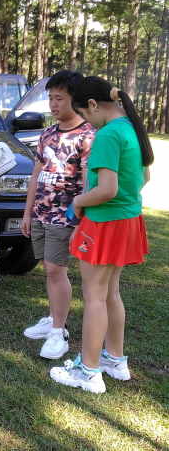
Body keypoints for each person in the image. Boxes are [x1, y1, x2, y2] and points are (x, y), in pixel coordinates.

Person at [49, 77, 152, 394]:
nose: (87, 122)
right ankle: (114, 359)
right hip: (126, 219)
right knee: (110, 293)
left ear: (93, 105)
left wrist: (78, 202)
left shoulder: (107, 134)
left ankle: (89, 371)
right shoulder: (130, 128)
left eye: (85, 114)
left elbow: (107, 189)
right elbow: (144, 176)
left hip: (105, 222)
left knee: (94, 295)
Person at [21, 70, 96, 360]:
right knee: (49, 268)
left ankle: (58, 332)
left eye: (59, 98)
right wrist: (27, 213)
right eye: (50, 98)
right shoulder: (48, 133)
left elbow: (89, 182)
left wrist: (81, 219)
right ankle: (54, 318)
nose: (53, 104)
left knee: (55, 270)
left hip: (66, 216)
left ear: (74, 99)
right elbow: (35, 176)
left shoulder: (88, 135)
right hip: (41, 212)